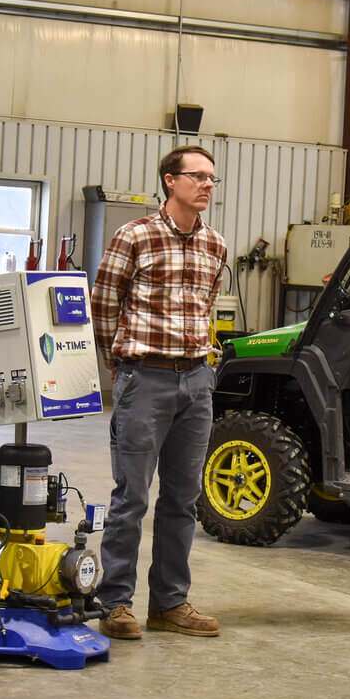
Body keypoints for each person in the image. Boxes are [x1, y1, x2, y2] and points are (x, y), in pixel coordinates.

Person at [90, 144, 229, 640]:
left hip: (196, 381)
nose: (208, 185)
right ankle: (116, 604)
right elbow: (103, 305)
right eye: (199, 176)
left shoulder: (216, 246)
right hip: (144, 377)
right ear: (171, 181)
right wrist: (122, 366)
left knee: (183, 498)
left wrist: (200, 371)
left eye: (213, 178)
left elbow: (208, 307)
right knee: (131, 497)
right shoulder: (135, 236)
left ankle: (169, 602)